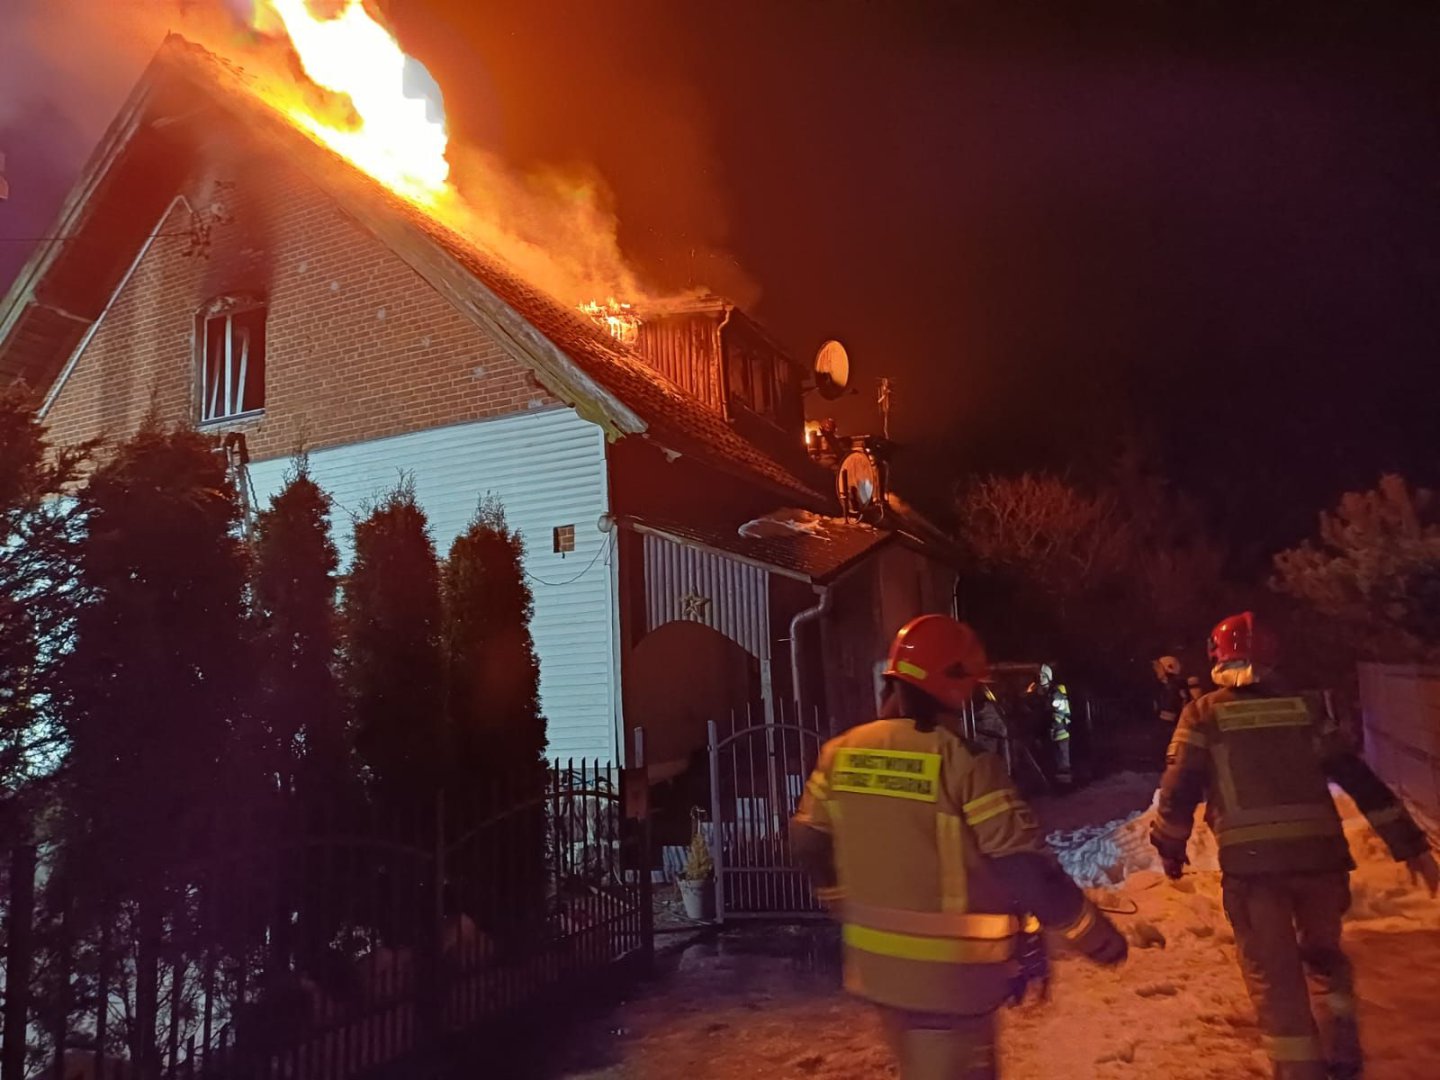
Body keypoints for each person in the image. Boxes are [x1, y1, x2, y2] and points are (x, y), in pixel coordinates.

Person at [792, 615, 1127, 1080]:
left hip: (878, 976)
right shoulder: (964, 763)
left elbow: (807, 840)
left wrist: (836, 900)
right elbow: (1026, 869)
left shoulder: (840, 753)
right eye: (968, 684)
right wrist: (1094, 935)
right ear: (951, 685)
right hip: (952, 985)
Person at [1150, 611, 1440, 1080]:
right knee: (1325, 961)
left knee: (1275, 978)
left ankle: (1301, 1071)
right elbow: (1357, 776)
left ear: (1217, 658)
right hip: (1322, 865)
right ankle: (1342, 1055)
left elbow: (1179, 788)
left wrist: (1170, 846)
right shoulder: (1305, 710)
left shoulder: (1204, 714)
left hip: (1254, 871)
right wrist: (1409, 844)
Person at [1024, 663, 1072, 786]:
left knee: (1062, 762)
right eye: (1038, 676)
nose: (1040, 679)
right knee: (1051, 761)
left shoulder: (1056, 692)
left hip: (1059, 732)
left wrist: (1051, 728)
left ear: (1048, 676)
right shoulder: (1039, 692)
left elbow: (1059, 714)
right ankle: (1054, 785)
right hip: (1047, 733)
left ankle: (1065, 787)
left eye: (1043, 676)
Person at [1152, 655, 1189, 726]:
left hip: (1169, 726)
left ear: (1169, 668)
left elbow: (1169, 715)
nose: (1156, 670)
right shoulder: (1171, 685)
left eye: (1159, 667)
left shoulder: (1172, 687)